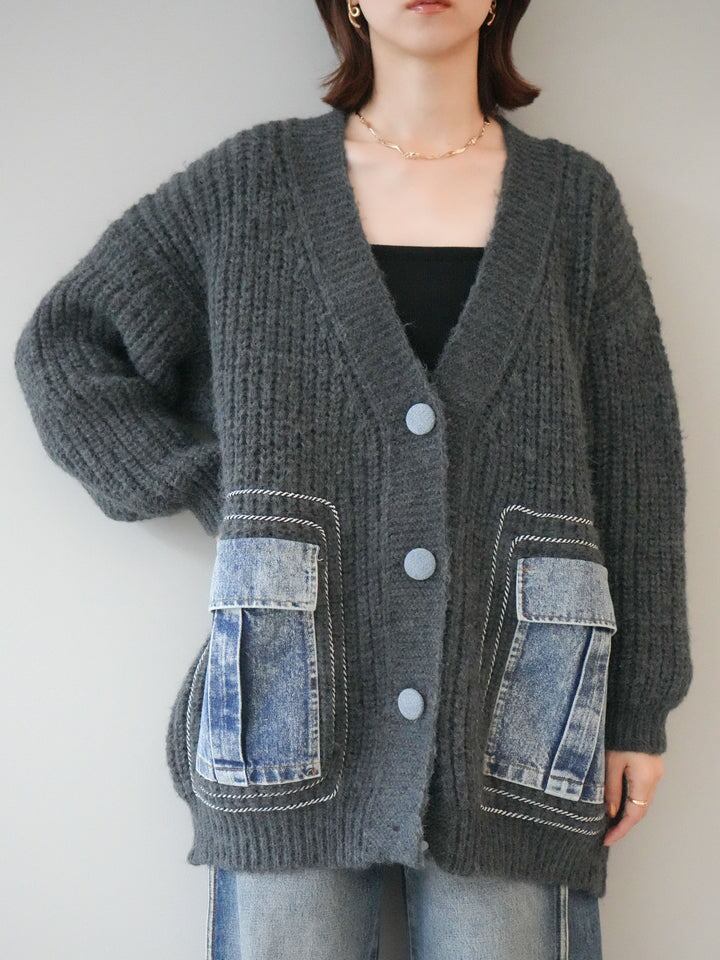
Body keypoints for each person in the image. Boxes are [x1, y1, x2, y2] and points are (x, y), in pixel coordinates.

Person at [14, 1, 693, 958]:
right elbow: (67, 345)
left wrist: (638, 708)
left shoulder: (575, 205)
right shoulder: (252, 185)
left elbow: (640, 466)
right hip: (285, 700)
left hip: (520, 705)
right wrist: (219, 488)